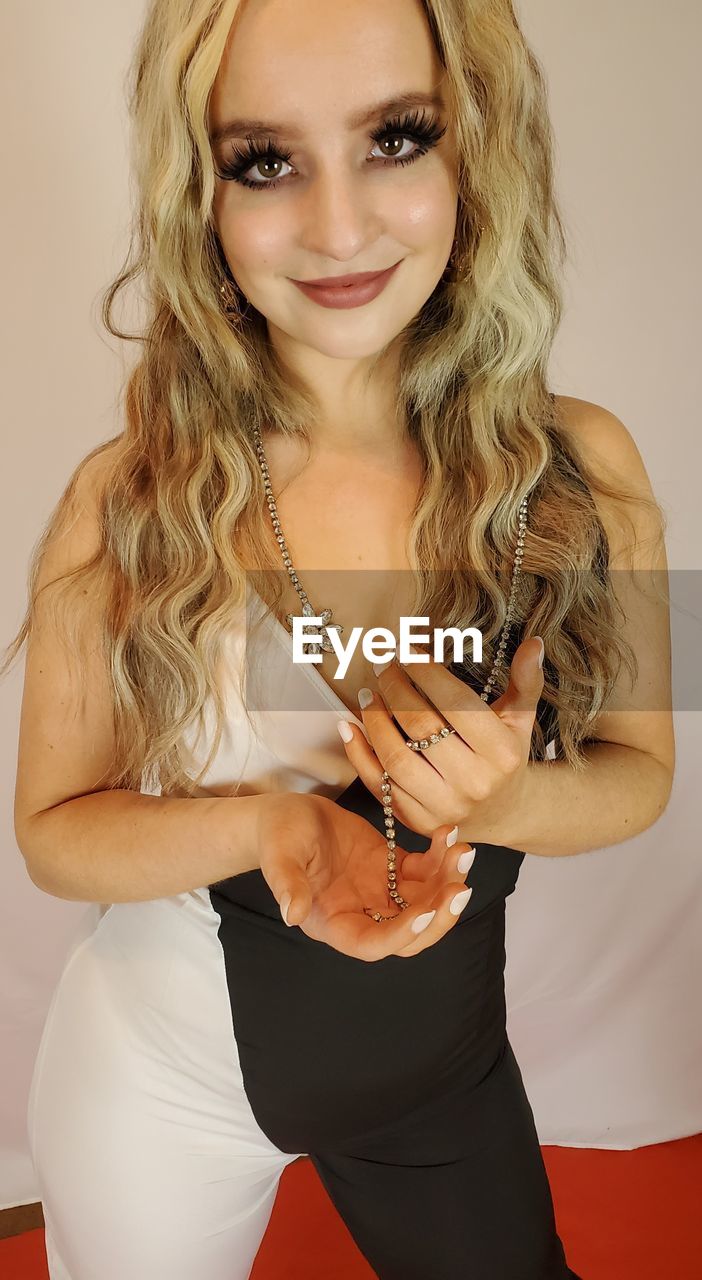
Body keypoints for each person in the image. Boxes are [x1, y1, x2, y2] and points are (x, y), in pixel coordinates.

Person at [5, 0, 674, 1277]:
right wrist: (272, 826)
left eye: (397, 139)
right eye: (265, 161)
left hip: (441, 1081)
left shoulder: (582, 469)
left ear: (477, 144)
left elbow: (642, 776)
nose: (337, 226)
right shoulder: (129, 495)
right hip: (156, 1089)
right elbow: (52, 834)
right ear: (195, 192)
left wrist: (511, 791)